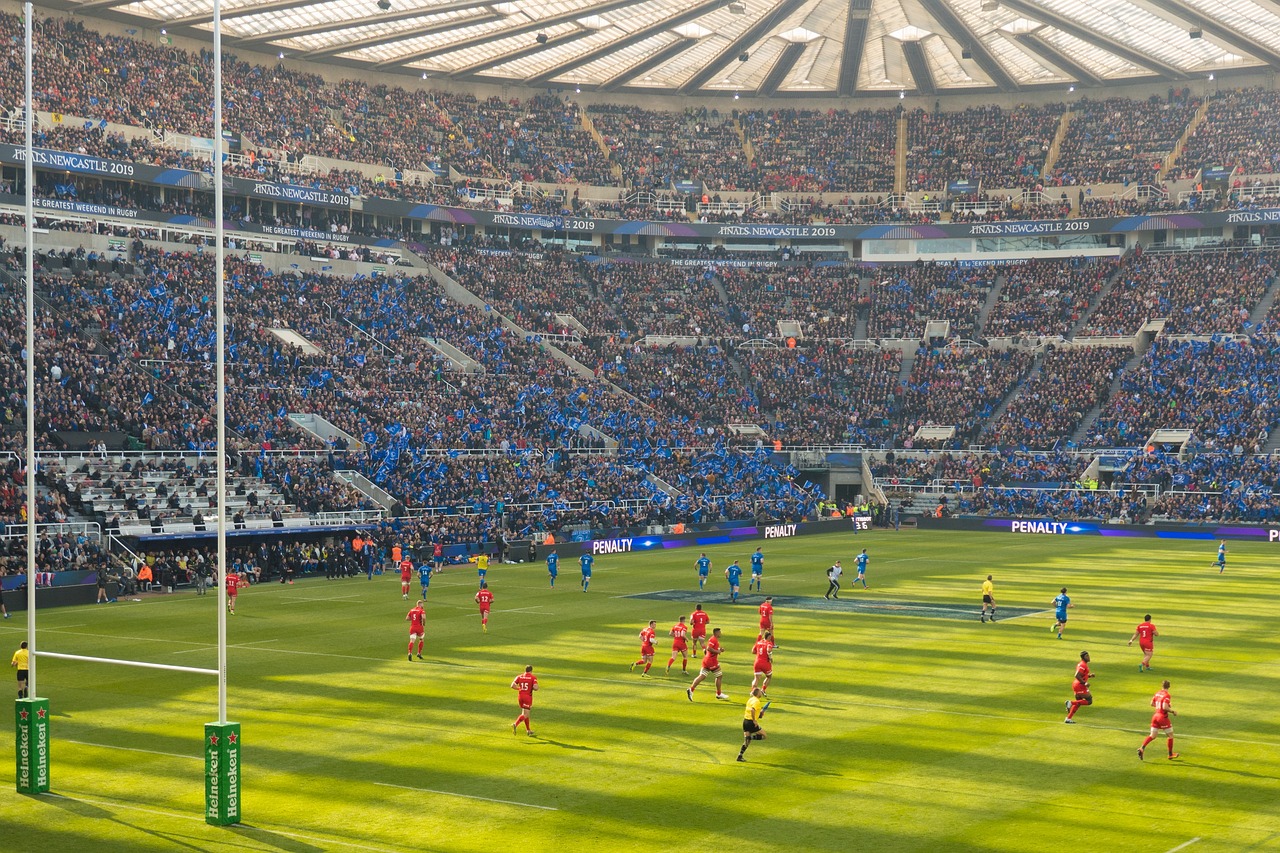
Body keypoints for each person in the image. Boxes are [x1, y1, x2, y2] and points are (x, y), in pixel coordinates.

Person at [1138, 680, 1178, 760]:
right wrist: (1172, 711)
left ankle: (1142, 748)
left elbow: (1152, 703)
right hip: (1162, 717)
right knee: (1170, 736)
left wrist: (1159, 706)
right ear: (1169, 686)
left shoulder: (1157, 693)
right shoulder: (1167, 695)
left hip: (1155, 716)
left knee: (1152, 735)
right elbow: (1164, 707)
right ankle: (1170, 754)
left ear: (1162, 686)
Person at [687, 627, 728, 701]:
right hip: (711, 661)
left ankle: (691, 689)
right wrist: (717, 652)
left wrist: (719, 650)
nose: (720, 633)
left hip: (707, 660)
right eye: (719, 632)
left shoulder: (714, 639)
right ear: (716, 633)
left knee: (702, 676)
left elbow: (711, 649)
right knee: (719, 675)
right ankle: (718, 694)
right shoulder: (713, 639)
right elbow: (709, 648)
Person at [737, 686, 768, 762]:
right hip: (751, 722)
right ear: (757, 693)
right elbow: (752, 710)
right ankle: (751, 737)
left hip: (745, 722)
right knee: (764, 736)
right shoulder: (757, 701)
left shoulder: (750, 699)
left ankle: (740, 756)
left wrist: (760, 714)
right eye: (760, 692)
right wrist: (754, 720)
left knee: (746, 742)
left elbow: (755, 712)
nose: (761, 693)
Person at [1064, 650, 1094, 723]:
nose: (1089, 657)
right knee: (1089, 700)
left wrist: (1089, 676)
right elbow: (1077, 675)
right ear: (1083, 657)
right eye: (1087, 656)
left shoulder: (1082, 664)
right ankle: (1070, 702)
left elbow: (1082, 675)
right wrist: (1084, 683)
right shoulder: (1083, 665)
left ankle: (1068, 719)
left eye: (1088, 655)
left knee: (1078, 703)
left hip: (1076, 684)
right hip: (1080, 685)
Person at [511, 665, 538, 736]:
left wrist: (519, 689)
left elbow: (512, 685)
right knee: (526, 714)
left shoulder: (519, 676)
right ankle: (515, 724)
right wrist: (535, 687)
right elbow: (535, 688)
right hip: (527, 697)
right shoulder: (533, 677)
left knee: (525, 713)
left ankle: (528, 730)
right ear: (531, 671)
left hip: (520, 697)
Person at [750, 631, 774, 695]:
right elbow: (769, 650)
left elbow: (753, 651)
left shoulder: (759, 642)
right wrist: (770, 658)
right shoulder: (769, 643)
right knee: (769, 676)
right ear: (768, 637)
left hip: (757, 662)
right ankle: (763, 689)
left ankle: (752, 691)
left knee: (756, 678)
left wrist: (759, 654)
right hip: (765, 663)